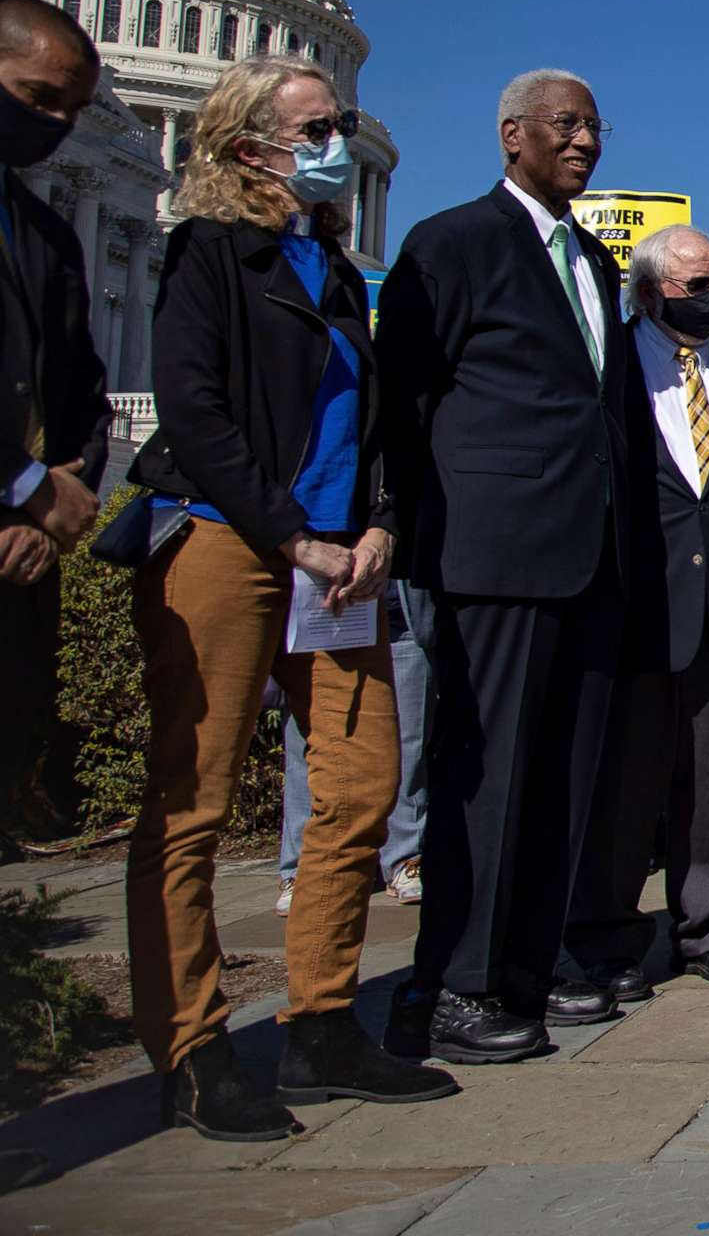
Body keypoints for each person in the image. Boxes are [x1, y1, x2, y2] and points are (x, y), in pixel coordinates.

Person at [125, 55, 454, 1137]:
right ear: (249, 145)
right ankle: (195, 1044)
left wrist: (374, 524)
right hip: (231, 543)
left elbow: (371, 425)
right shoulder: (210, 254)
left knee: (360, 786)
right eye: (319, 124)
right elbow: (196, 410)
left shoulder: (336, 268)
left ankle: (319, 1021)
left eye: (343, 121)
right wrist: (288, 533)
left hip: (341, 560)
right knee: (196, 797)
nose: (338, 139)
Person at [377, 69, 644, 1060]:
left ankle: (527, 975)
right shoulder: (452, 242)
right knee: (483, 781)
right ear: (510, 135)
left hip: (587, 559)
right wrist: (409, 528)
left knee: (559, 782)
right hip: (493, 556)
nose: (584, 142)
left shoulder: (592, 258)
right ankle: (455, 987)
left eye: (594, 126)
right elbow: (403, 396)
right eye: (565, 126)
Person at [565, 226, 709, 989]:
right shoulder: (607, 370)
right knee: (625, 787)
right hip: (636, 610)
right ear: (646, 293)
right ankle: (606, 939)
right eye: (695, 287)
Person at [0, 0, 110, 861]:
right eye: (37, 99)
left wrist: (63, 486)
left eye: (70, 112)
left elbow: (80, 383)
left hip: (26, 558)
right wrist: (25, 488)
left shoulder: (45, 232)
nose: (55, 126)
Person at [278, 579, 433, 912]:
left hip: (395, 614)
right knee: (307, 742)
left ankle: (406, 858)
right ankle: (299, 868)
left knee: (409, 741)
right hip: (313, 612)